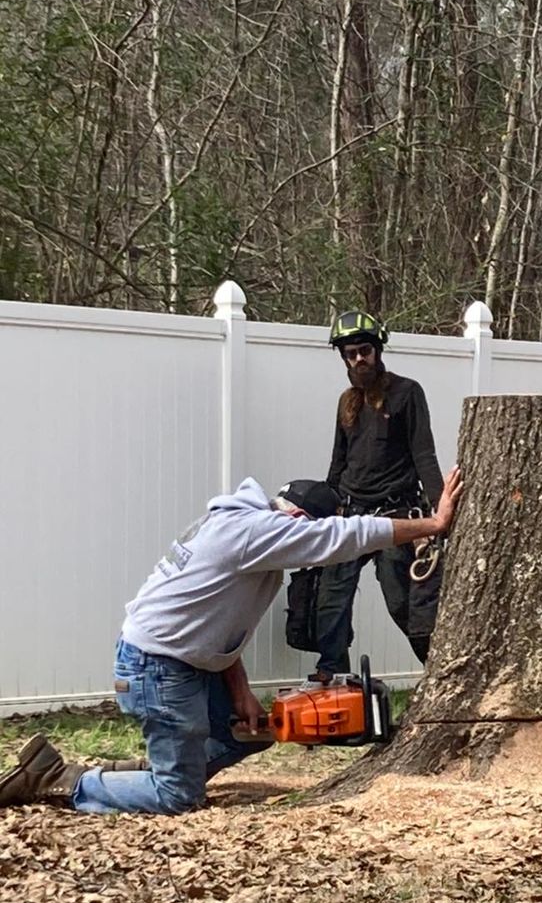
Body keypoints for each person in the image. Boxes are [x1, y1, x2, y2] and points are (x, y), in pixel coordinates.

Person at [0, 467, 462, 814]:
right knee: (178, 798)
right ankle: (59, 779)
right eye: (305, 536)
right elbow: (345, 536)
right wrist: (432, 525)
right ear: (297, 520)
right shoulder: (255, 532)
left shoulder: (243, 529)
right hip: (158, 668)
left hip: (179, 660)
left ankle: (149, 773)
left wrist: (241, 693)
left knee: (245, 736)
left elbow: (216, 626)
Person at [311, 310, 445, 683]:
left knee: (402, 602)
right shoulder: (346, 402)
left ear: (378, 350)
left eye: (365, 351)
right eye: (350, 354)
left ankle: (439, 673)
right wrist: (326, 510)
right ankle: (332, 676)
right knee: (331, 600)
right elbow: (338, 462)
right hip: (351, 513)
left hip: (395, 515)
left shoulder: (407, 393)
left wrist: (441, 514)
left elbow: (424, 455)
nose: (359, 359)